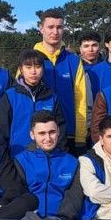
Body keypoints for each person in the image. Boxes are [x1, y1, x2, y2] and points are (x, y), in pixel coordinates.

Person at [34, 9, 88, 153]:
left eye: (59, 27)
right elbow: (22, 99)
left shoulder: (74, 61)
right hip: (39, 136)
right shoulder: (30, 60)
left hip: (68, 134)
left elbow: (81, 101)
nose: (55, 32)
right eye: (50, 27)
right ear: (41, 28)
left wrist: (81, 137)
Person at [0, 49, 62, 156]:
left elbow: (60, 130)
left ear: (43, 69)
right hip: (17, 158)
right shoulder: (10, 96)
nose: (33, 71)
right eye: (28, 67)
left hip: (47, 158)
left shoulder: (52, 97)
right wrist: (4, 164)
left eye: (38, 67)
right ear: (21, 69)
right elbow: (0, 134)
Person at [79, 29, 111, 100]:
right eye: (86, 46)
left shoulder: (110, 68)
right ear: (80, 49)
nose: (91, 49)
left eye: (94, 45)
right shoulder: (75, 69)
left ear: (99, 46)